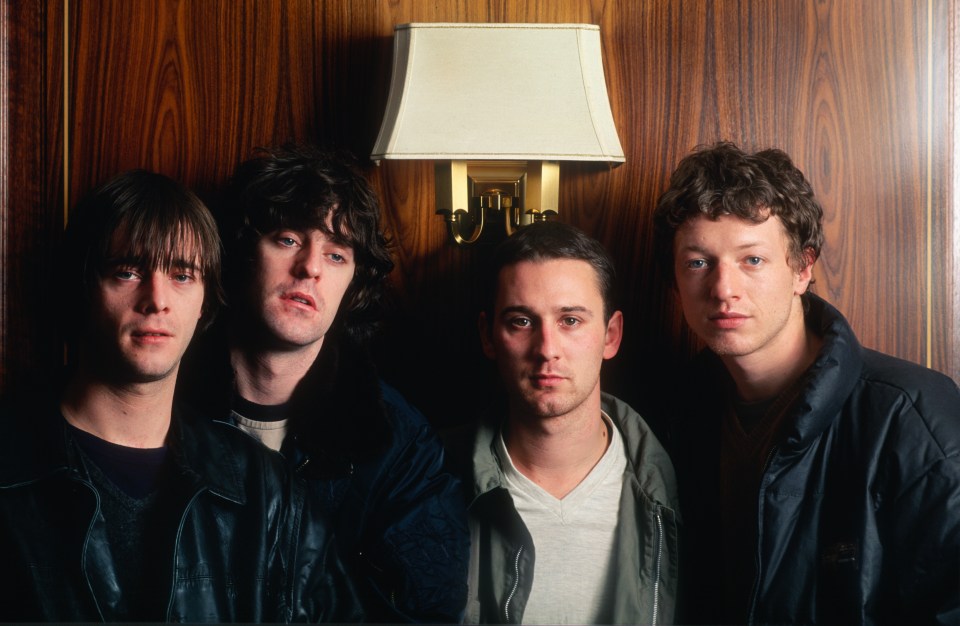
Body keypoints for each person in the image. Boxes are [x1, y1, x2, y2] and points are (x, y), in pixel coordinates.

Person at [0, 169, 359, 622]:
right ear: (84, 289)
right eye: (127, 272)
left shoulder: (266, 492)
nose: (157, 299)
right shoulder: (10, 470)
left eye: (182, 275)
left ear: (206, 301)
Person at [653, 141, 960, 625]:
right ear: (675, 280)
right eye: (698, 262)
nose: (722, 288)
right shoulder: (674, 415)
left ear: (802, 269)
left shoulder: (913, 417)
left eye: (752, 260)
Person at [179, 143, 470, 623]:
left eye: (336, 255)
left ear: (354, 283)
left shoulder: (398, 444)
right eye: (288, 239)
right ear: (243, 253)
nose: (310, 267)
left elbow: (425, 613)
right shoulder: (160, 406)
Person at [443, 221, 680, 624]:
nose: (546, 349)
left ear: (611, 335)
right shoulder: (427, 480)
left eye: (570, 320)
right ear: (488, 336)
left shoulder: (679, 491)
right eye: (521, 321)